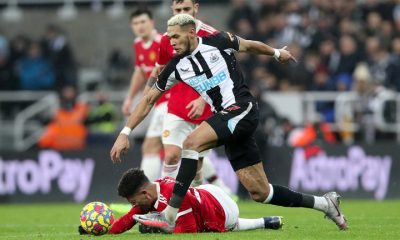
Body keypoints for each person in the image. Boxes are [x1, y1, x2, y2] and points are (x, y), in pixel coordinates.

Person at [110, 14, 348, 232]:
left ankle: (170, 214)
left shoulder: (217, 41)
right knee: (260, 192)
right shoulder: (175, 66)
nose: (171, 41)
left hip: (242, 108)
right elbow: (149, 99)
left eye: (176, 36)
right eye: (169, 37)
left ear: (192, 32)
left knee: (190, 143)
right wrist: (125, 131)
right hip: (229, 122)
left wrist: (276, 53)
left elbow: (249, 45)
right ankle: (325, 204)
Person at [147, 0, 233, 193]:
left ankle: (197, 206)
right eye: (178, 10)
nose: (182, 13)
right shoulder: (167, 39)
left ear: (196, 8)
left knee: (196, 168)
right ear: (172, 10)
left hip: (205, 110)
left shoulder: (212, 36)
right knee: (170, 156)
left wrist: (203, 99)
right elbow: (159, 71)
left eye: (186, 9)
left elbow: (223, 73)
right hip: (176, 107)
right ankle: (163, 202)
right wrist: (146, 97)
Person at [79, 168, 283, 235]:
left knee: (226, 225)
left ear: (144, 194)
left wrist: (158, 229)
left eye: (134, 201)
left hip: (224, 207)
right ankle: (267, 222)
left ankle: (263, 222)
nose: (134, 206)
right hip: (207, 193)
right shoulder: (153, 191)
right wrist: (102, 231)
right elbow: (129, 218)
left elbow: (188, 232)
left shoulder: (173, 198)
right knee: (156, 222)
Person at [121, 9, 166, 181]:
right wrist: (130, 98)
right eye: (135, 23)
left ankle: (147, 194)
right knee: (188, 148)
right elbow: (140, 72)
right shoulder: (138, 44)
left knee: (150, 147)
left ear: (152, 23)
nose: (139, 26)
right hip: (159, 102)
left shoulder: (162, 41)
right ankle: (221, 186)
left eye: (143, 22)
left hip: (170, 101)